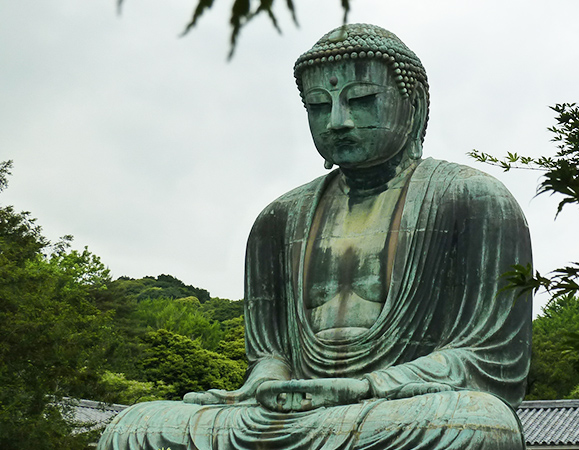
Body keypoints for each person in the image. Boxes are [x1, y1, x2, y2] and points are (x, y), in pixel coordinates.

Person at [99, 23, 532, 450]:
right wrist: (267, 384)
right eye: (318, 106)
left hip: (399, 408)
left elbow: (488, 359)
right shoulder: (280, 218)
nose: (338, 122)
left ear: (413, 105)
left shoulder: (473, 199)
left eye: (361, 100)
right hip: (296, 414)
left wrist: (366, 386)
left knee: (479, 424)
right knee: (134, 426)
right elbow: (272, 356)